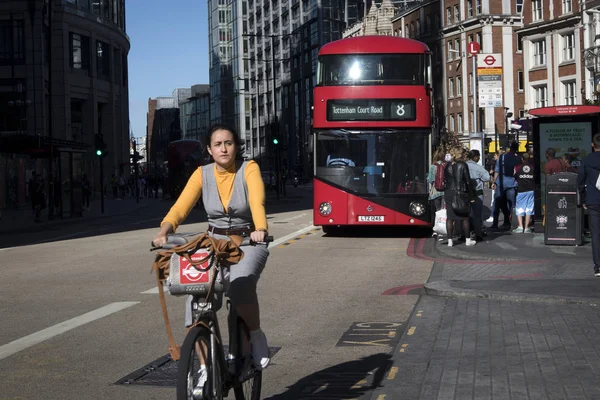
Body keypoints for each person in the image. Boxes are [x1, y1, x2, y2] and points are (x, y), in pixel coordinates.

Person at [152, 124, 271, 373]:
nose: (223, 148)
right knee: (195, 302)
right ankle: (206, 370)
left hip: (248, 241)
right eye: (217, 144)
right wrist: (164, 231)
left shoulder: (249, 168)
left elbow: (256, 200)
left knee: (240, 286)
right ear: (209, 149)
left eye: (228, 143)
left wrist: (260, 228)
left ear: (236, 146)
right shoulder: (201, 174)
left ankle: (256, 335)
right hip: (213, 244)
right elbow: (181, 206)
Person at [444, 147, 476, 247]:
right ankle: (467, 240)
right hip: (461, 193)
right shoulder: (463, 165)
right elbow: (467, 181)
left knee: (450, 218)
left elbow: (446, 180)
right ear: (460, 154)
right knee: (464, 217)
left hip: (449, 192)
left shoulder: (447, 165)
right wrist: (472, 196)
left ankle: (450, 241)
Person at [578, 133, 600, 277]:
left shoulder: (586, 160)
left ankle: (598, 266)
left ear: (593, 145)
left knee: (596, 234)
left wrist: (584, 199)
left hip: (593, 200)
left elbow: (580, 181)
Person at [492, 142, 521, 229]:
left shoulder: (502, 157)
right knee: (512, 204)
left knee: (497, 203)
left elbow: (497, 171)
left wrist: (493, 182)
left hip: (500, 182)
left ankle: (495, 223)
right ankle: (512, 223)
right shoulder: (518, 159)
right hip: (512, 183)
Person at [466, 149, 490, 241]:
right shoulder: (478, 168)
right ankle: (478, 234)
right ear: (475, 157)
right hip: (477, 193)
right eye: (478, 156)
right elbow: (487, 178)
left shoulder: (464, 165)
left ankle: (466, 234)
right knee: (477, 215)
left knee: (466, 215)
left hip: (466, 193)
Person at [513, 153, 536, 233]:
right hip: (531, 190)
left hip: (521, 190)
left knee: (520, 207)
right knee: (529, 208)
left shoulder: (517, 167)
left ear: (522, 159)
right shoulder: (533, 167)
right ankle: (526, 228)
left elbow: (514, 177)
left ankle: (520, 227)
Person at [427, 146, 445, 235]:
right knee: (444, 211)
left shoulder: (433, 167)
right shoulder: (446, 165)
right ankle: (444, 230)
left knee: (437, 211)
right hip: (445, 192)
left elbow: (430, 180)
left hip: (436, 192)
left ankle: (437, 230)